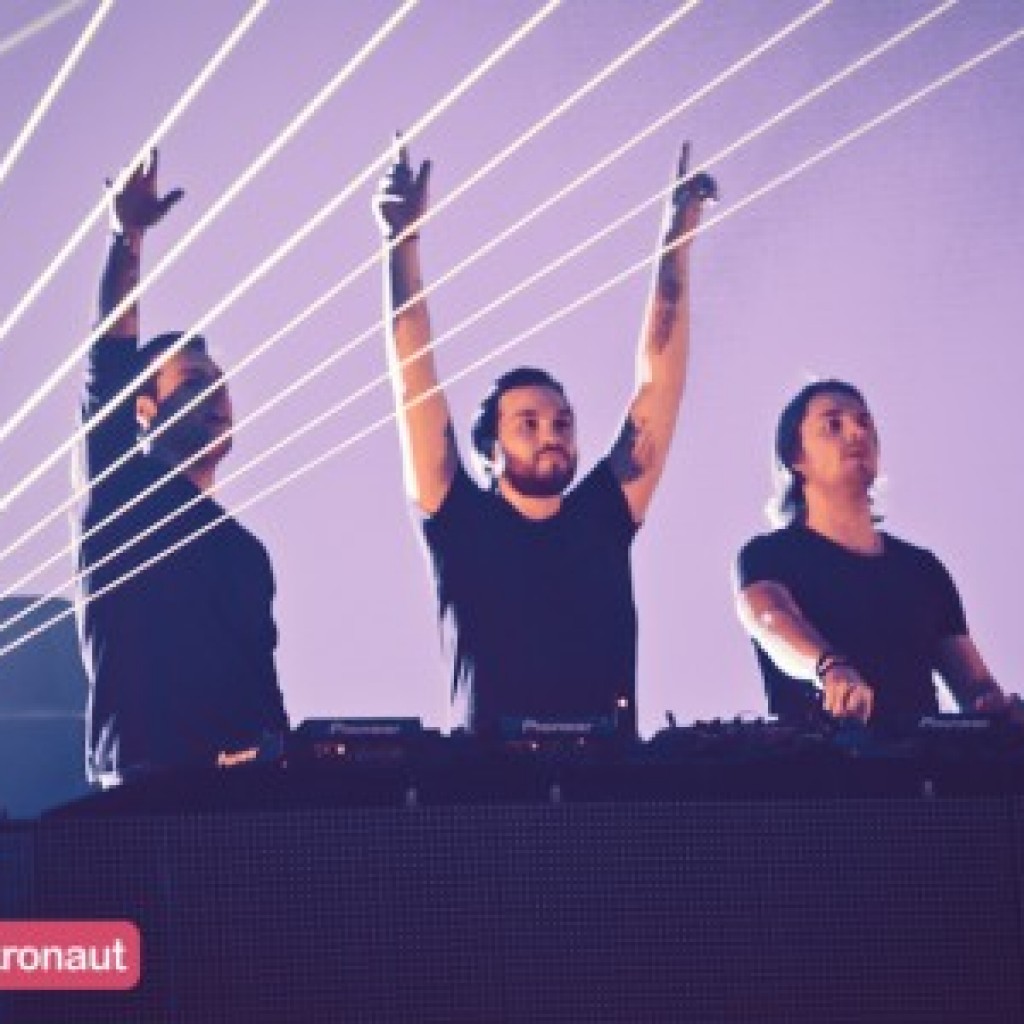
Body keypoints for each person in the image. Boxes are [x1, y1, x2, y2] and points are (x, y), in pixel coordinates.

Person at [374, 139, 714, 736]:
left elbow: (660, 385)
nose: (551, 435)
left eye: (562, 423)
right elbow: (414, 382)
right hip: (488, 780)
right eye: (527, 424)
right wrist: (401, 243)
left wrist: (675, 243)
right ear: (489, 450)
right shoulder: (459, 518)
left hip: (609, 778)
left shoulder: (601, 517)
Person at [75, 151, 288, 786]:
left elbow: (264, 691)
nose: (216, 395)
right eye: (194, 381)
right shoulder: (121, 490)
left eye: (219, 382)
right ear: (144, 411)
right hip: (145, 792)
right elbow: (108, 366)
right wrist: (127, 240)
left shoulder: (244, 551)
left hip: (241, 800)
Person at [734, 379, 1019, 730]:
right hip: (816, 757)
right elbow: (769, 617)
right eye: (833, 425)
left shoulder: (922, 570)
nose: (857, 433)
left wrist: (995, 706)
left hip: (922, 759)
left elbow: (975, 686)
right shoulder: (768, 555)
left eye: (864, 423)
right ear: (795, 456)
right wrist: (829, 667)